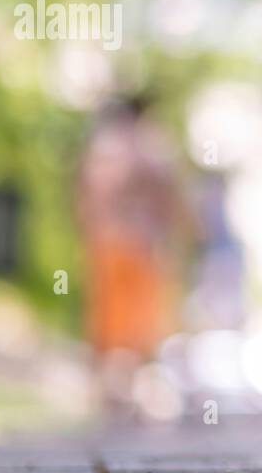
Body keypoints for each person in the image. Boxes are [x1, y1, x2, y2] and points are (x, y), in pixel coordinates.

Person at [76, 96, 189, 418]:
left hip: (117, 242)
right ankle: (120, 392)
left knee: (124, 319)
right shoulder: (147, 147)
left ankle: (120, 392)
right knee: (127, 319)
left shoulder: (105, 148)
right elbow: (167, 193)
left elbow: (88, 197)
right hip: (131, 242)